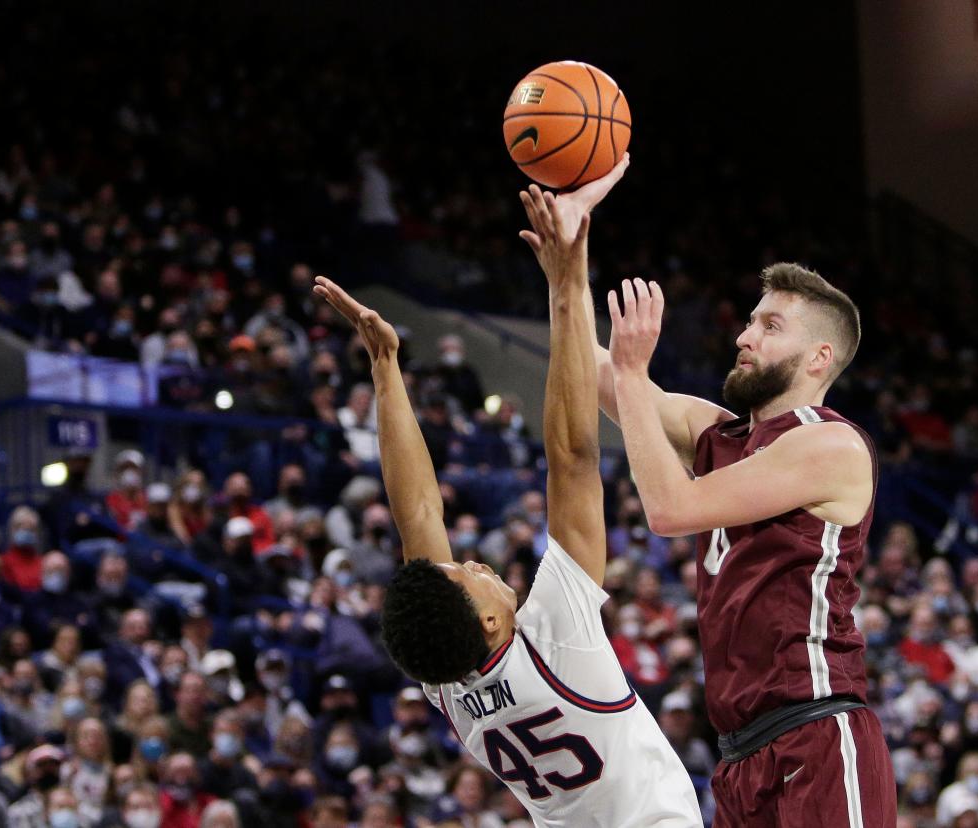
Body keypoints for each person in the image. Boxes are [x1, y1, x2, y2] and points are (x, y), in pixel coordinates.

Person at [309, 155, 700, 826]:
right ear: (489, 621)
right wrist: (564, 284)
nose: (476, 563)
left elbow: (418, 517)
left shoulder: (448, 674)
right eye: (471, 575)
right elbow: (573, 457)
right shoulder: (557, 640)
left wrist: (386, 368)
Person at [522, 176, 894, 823]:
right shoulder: (717, 431)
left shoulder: (832, 445)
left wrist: (638, 377)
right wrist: (568, 265)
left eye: (770, 326)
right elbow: (592, 367)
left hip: (818, 734)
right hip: (739, 755)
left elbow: (670, 510)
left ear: (819, 357)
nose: (745, 337)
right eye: (750, 321)